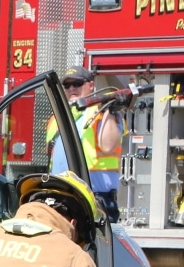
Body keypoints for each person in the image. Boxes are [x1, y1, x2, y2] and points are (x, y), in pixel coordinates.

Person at [46, 66, 125, 222]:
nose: (72, 88)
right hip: (61, 197)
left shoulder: (103, 112)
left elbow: (108, 146)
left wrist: (111, 109)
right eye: (67, 85)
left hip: (96, 199)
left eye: (77, 83)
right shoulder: (56, 117)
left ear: (91, 85)